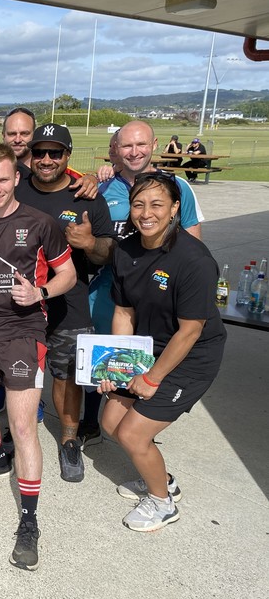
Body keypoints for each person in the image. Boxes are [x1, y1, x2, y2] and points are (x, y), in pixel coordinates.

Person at [0, 142, 76, 571]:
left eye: (3, 179)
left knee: (24, 425)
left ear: (16, 177)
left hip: (26, 332)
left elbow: (69, 273)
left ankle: (29, 519)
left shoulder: (41, 224)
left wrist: (39, 292)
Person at [100, 172, 225, 531]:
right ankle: (160, 477)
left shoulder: (194, 259)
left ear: (174, 209)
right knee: (112, 422)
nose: (146, 212)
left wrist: (153, 378)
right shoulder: (125, 249)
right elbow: (124, 312)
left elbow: (191, 331)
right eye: (138, 204)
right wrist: (117, 366)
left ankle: (162, 503)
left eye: (157, 204)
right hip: (147, 348)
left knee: (132, 434)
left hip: (191, 356)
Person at [84, 122, 204, 447]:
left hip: (159, 296)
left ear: (154, 144)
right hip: (113, 294)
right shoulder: (103, 188)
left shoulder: (178, 187)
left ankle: (140, 432)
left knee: (152, 366)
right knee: (108, 365)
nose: (134, 152)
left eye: (141, 144)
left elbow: (194, 246)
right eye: (126, 146)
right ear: (115, 149)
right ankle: (93, 422)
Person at [14, 123, 115, 483]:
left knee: (67, 375)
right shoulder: (14, 187)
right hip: (20, 301)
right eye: (39, 152)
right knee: (17, 372)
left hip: (69, 302)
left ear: (67, 157)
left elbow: (107, 254)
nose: (45, 159)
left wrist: (89, 244)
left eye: (54, 153)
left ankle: (69, 440)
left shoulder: (87, 197)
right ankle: (18, 428)